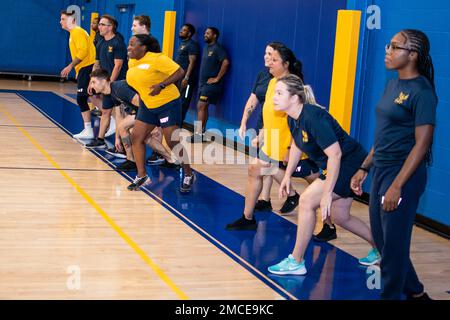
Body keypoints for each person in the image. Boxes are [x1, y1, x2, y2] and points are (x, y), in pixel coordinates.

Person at [351, 29, 437, 300]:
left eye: (395, 47)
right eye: (388, 45)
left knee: (394, 246)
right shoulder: (392, 85)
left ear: (412, 55)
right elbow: (383, 132)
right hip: (381, 171)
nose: (387, 51)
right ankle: (417, 293)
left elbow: (422, 145)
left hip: (404, 176)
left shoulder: (422, 92)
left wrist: (398, 185)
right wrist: (365, 166)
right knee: (383, 240)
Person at [267, 74, 380, 275]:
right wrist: (287, 176)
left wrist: (327, 193)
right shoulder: (293, 118)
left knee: (307, 201)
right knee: (340, 216)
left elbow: (335, 154)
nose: (274, 97)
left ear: (294, 98)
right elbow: (296, 146)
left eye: (279, 93)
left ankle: (297, 260)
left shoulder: (312, 117)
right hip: (339, 163)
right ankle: (383, 250)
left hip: (349, 162)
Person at [226, 42, 317, 230]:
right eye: (269, 58)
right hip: (271, 143)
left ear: (286, 63)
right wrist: (262, 136)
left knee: (317, 184)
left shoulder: (294, 84)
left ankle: (330, 224)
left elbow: (300, 121)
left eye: (274, 60)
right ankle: (248, 217)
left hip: (291, 146)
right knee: (254, 170)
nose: (269, 63)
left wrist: (291, 148)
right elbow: (269, 113)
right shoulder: (273, 82)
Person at [125, 34, 194, 192]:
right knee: (137, 137)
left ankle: (189, 174)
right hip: (148, 105)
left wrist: (162, 85)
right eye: (128, 44)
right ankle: (142, 176)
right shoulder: (132, 61)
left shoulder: (157, 58)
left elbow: (179, 71)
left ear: (143, 47)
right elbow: (139, 83)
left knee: (172, 141)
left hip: (167, 103)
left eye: (132, 44)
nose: (129, 47)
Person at [88, 69, 173, 171]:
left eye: (94, 82)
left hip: (150, 107)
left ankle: (132, 160)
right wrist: (117, 138)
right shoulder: (111, 94)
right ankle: (170, 160)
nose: (92, 86)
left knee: (133, 131)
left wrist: (154, 125)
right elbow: (119, 116)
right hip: (141, 110)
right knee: (142, 136)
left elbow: (142, 103)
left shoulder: (119, 88)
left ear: (104, 81)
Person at [86, 14, 128, 149]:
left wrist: (111, 83)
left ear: (110, 27)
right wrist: (91, 82)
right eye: (99, 24)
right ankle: (100, 139)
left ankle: (122, 143)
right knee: (105, 112)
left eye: (102, 24)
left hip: (118, 85)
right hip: (106, 85)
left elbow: (118, 65)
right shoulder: (100, 42)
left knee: (121, 115)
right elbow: (96, 64)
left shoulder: (118, 43)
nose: (99, 27)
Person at [60, 10, 96, 139]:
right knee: (92, 95)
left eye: (63, 19)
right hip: (84, 68)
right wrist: (78, 71)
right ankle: (108, 120)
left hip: (87, 67)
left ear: (72, 21)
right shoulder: (75, 33)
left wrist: (71, 66)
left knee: (81, 98)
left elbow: (83, 51)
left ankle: (89, 130)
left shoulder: (77, 32)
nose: (61, 21)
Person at [189, 27, 230, 142]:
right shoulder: (207, 47)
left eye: (208, 33)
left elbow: (226, 62)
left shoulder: (218, 48)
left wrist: (217, 78)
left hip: (210, 86)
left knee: (200, 106)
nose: (205, 35)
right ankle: (201, 133)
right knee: (203, 107)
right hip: (203, 84)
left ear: (215, 35)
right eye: (205, 33)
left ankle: (198, 134)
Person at [175, 23, 200, 123]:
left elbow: (192, 62)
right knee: (177, 99)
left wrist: (186, 77)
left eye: (184, 30)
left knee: (183, 101)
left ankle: (179, 123)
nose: (181, 31)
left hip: (186, 79)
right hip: (179, 77)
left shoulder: (192, 45)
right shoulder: (182, 43)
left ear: (189, 34)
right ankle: (175, 122)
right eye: (181, 29)